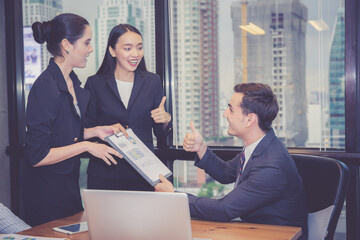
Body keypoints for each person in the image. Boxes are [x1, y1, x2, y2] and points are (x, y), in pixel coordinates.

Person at [155, 83, 308, 238]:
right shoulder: (259, 147)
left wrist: (174, 196)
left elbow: (224, 210)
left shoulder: (270, 166)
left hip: (276, 235)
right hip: (254, 230)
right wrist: (200, 148)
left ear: (249, 120)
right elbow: (225, 173)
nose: (225, 114)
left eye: (230, 109)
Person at [21, 13, 123, 227]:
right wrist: (86, 146)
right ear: (67, 45)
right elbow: (38, 155)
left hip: (68, 191)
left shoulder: (74, 84)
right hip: (46, 197)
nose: (91, 49)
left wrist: (95, 132)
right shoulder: (45, 87)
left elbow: (64, 133)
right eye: (86, 42)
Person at [84, 24, 171, 191]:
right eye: (128, 48)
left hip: (143, 174)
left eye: (139, 48)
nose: (135, 54)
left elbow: (160, 134)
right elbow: (87, 129)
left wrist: (165, 119)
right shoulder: (95, 84)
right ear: (112, 51)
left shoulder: (152, 82)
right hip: (105, 173)